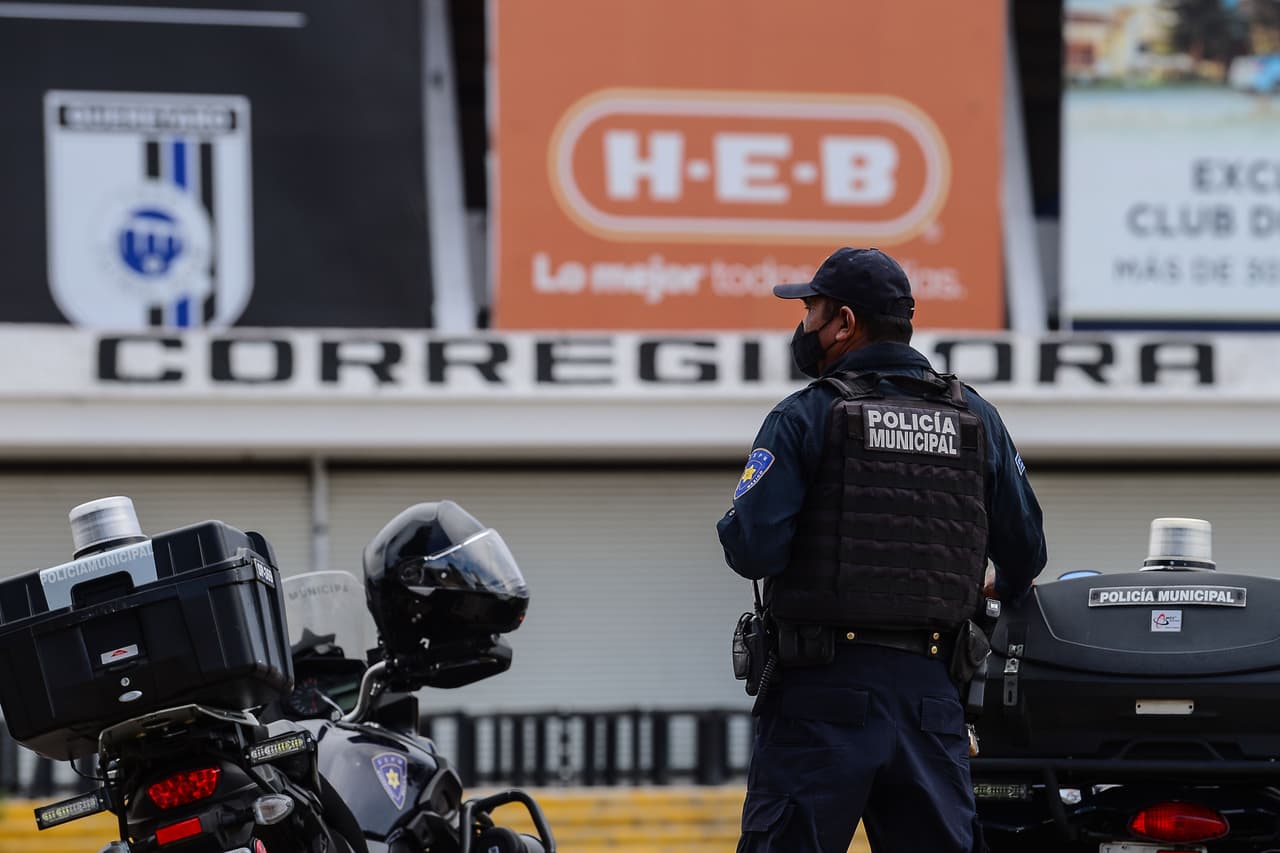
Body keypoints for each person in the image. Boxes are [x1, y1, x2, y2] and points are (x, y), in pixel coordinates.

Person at [717, 246, 1047, 853]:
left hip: (819, 700)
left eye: (810, 311)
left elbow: (753, 551)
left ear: (844, 322)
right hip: (931, 698)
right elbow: (1026, 553)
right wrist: (991, 585)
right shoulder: (977, 417)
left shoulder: (807, 414)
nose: (803, 326)